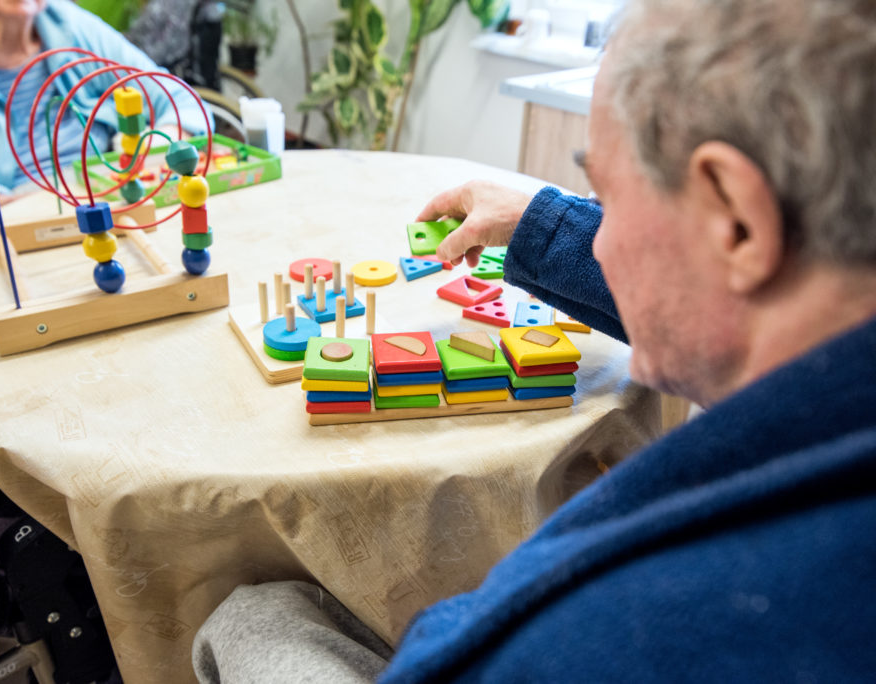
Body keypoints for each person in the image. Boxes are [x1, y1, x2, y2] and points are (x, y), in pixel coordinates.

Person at [191, 0, 876, 680]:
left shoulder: (613, 634)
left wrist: (261, 631)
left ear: (736, 220)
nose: (601, 239)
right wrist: (541, 226)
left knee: (254, 618)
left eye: (607, 197)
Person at [0, 0, 211, 195]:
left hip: (112, 187)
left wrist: (158, 145)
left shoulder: (68, 22)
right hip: (19, 210)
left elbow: (177, 97)